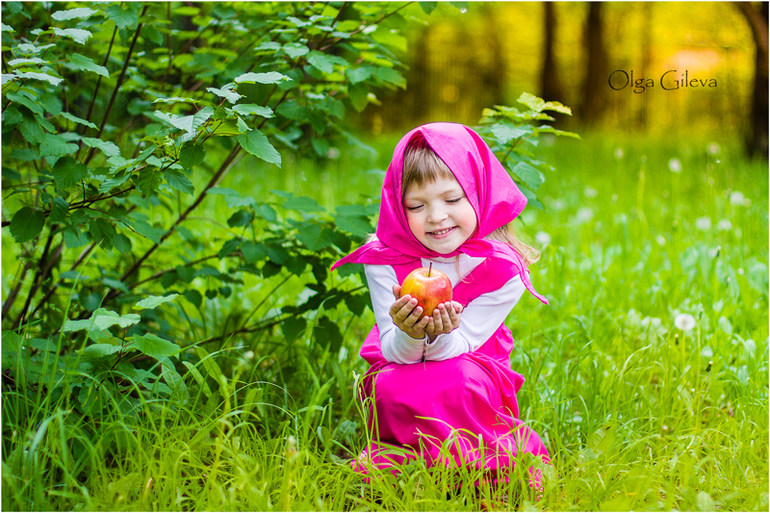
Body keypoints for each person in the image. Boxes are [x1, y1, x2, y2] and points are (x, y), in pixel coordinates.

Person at [331, 122, 551, 491]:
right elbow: (392, 351)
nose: (436, 217)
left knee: (457, 382)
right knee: (388, 387)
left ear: (479, 193)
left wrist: (442, 333)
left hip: (470, 361)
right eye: (416, 205)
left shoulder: (503, 269)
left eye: (452, 199)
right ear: (398, 209)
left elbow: (464, 345)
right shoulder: (385, 261)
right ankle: (412, 459)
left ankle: (472, 457)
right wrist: (410, 331)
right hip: (399, 360)